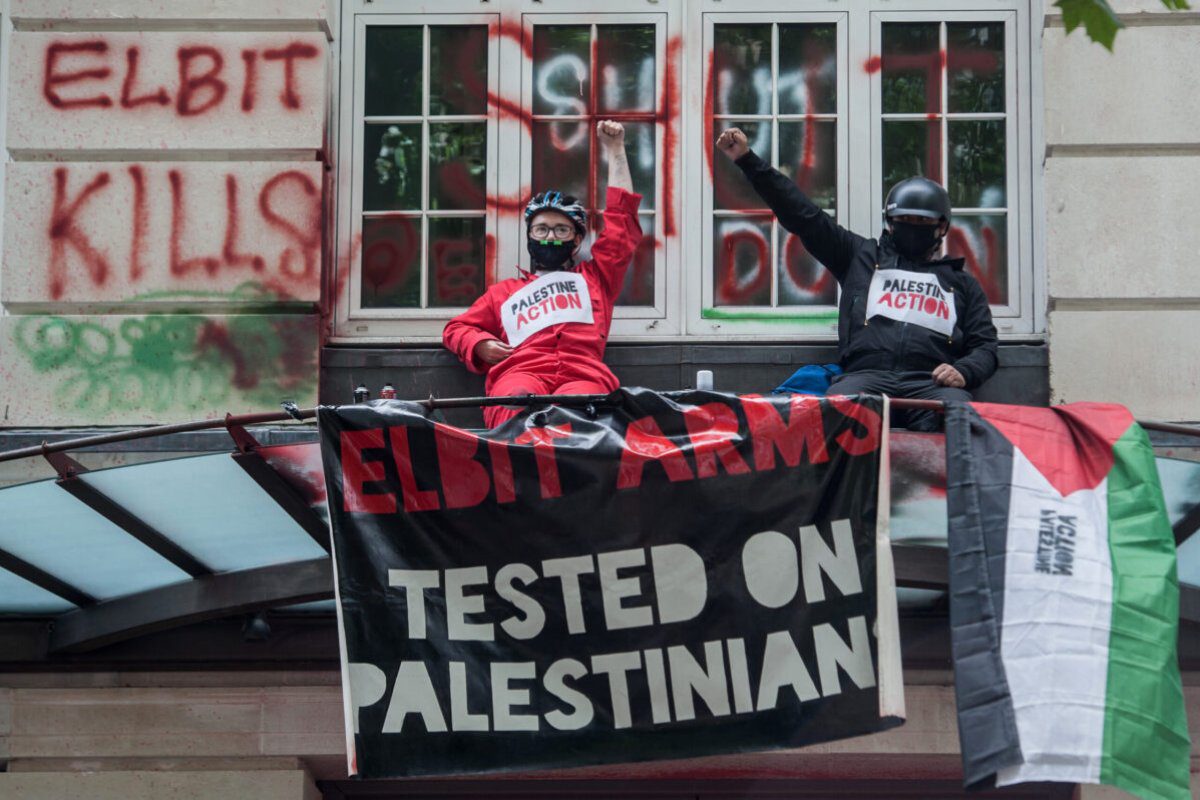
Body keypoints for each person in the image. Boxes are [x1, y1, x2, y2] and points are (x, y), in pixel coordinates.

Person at [715, 127, 998, 430]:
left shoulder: (962, 284)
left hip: (930, 383)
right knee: (837, 411)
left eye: (922, 221)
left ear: (941, 227)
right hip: (865, 378)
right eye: (904, 220)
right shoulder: (860, 257)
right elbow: (803, 215)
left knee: (961, 417)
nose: (913, 226)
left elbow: (985, 346)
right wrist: (746, 159)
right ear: (890, 223)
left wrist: (964, 371)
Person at [443, 120, 641, 428]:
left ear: (577, 240)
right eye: (542, 229)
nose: (550, 237)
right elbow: (457, 328)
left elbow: (621, 223)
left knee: (584, 416)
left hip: (582, 376)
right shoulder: (503, 292)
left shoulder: (597, 278)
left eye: (561, 230)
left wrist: (615, 149)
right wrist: (479, 344)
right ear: (529, 236)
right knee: (512, 405)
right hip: (520, 373)